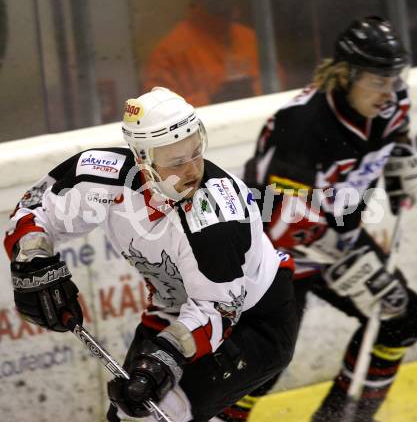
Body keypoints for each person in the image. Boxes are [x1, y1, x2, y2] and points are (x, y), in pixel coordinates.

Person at [4, 87, 298, 422]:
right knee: (128, 414)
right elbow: (35, 209)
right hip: (173, 311)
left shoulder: (216, 215)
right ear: (142, 157)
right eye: (176, 161)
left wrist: (163, 358)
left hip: (254, 319)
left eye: (196, 153)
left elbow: (217, 310)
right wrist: (33, 260)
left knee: (151, 417)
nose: (193, 171)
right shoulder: (101, 176)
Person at [219, 16, 417, 422]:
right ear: (345, 74)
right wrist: (343, 258)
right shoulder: (301, 129)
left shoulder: (391, 101)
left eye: (394, 78)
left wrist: (406, 162)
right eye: (377, 80)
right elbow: (274, 218)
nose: (389, 92)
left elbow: (395, 139)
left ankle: (341, 417)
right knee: (264, 365)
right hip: (275, 252)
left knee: (401, 319)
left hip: (337, 236)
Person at [143, 0, 262, 106]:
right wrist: (210, 102)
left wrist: (254, 91)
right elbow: (157, 112)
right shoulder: (168, 54)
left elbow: (277, 86)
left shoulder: (252, 39)